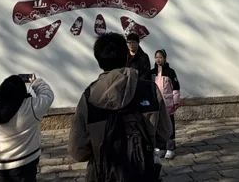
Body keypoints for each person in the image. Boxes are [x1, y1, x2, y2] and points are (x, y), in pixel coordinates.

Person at [69, 32, 172, 181]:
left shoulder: (89, 97)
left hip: (102, 175)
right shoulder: (150, 90)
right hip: (142, 173)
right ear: (126, 57)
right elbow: (164, 133)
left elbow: (77, 151)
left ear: (99, 60)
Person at [0, 74, 55, 182]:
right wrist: (35, 82)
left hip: (1, 163)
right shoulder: (30, 108)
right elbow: (48, 96)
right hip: (24, 162)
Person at [151, 49, 182, 160]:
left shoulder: (170, 72)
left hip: (168, 104)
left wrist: (176, 101)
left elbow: (176, 87)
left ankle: (170, 148)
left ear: (165, 58)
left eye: (160, 57)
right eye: (156, 57)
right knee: (159, 126)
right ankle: (161, 148)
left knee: (169, 126)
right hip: (157, 103)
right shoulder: (152, 72)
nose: (158, 59)